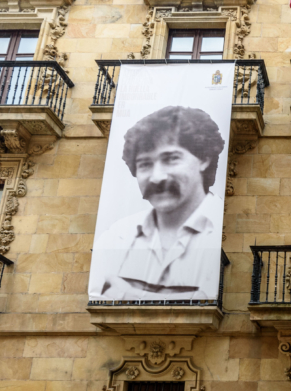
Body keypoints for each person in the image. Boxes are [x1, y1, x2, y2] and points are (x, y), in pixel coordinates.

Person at [89, 106, 226, 301]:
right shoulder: (117, 235)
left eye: (171, 159)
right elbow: (101, 294)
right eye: (145, 164)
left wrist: (130, 292)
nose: (157, 177)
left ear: (204, 159)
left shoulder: (224, 226)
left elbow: (210, 296)